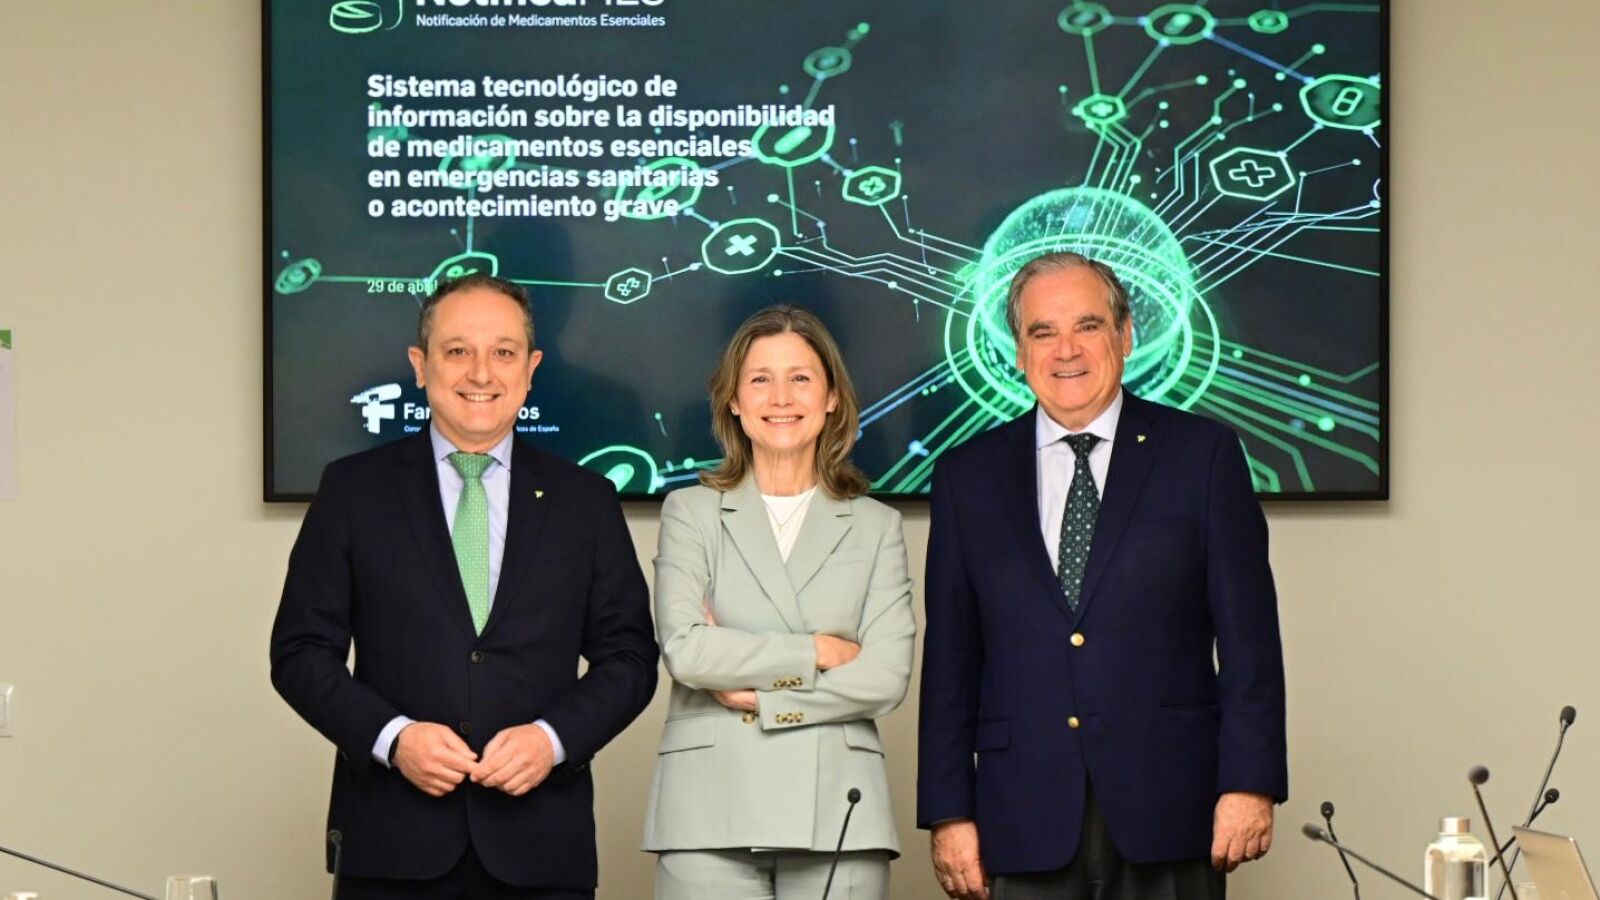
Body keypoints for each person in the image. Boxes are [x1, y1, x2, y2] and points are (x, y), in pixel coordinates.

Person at [270, 273, 658, 899]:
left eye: (503, 352)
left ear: (530, 369)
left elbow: (630, 657)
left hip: (541, 851)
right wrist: (394, 739)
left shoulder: (586, 501)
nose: (481, 372)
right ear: (420, 365)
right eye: (457, 351)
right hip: (392, 848)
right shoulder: (352, 491)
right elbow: (300, 652)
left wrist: (552, 740)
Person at [916, 252, 1287, 900]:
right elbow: (950, 661)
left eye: (1087, 326)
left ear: (1126, 335)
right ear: (1018, 351)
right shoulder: (966, 476)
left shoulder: (1203, 457)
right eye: (1043, 332)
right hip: (1020, 814)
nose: (1066, 350)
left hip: (1171, 808)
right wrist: (949, 814)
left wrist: (1249, 782)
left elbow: (1250, 642)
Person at [642, 306, 917, 900]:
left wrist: (763, 699)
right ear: (733, 401)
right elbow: (688, 651)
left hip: (840, 808)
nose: (781, 397)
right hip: (707, 808)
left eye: (801, 378)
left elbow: (884, 677)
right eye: (760, 379)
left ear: (832, 398)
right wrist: (818, 650)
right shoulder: (690, 512)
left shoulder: (876, 526)